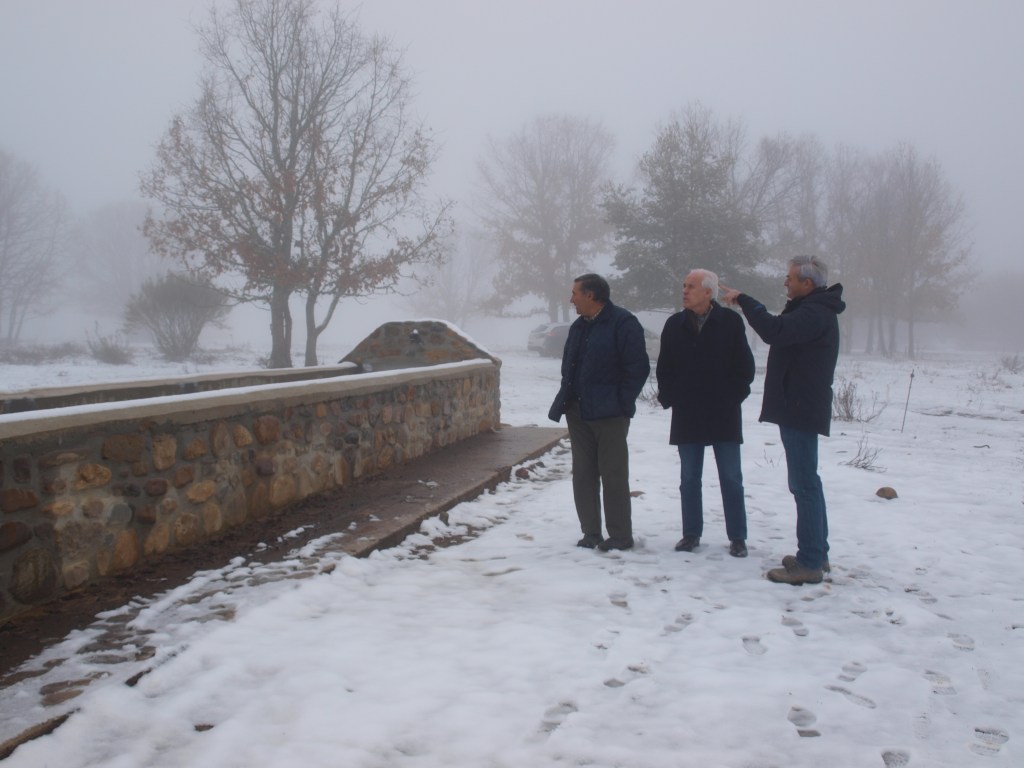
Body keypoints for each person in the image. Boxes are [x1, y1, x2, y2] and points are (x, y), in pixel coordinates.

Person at [720, 255, 846, 585]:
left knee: (804, 484)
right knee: (808, 483)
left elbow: (775, 331)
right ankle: (818, 552)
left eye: (790, 278)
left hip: (801, 408)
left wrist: (744, 300)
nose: (785, 282)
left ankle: (810, 562)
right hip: (799, 405)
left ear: (808, 283)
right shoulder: (813, 308)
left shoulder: (815, 312)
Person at [656, 269, 755, 558]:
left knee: (731, 478)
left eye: (691, 286)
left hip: (723, 411)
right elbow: (665, 368)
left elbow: (744, 367)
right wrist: (671, 397)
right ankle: (691, 534)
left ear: (708, 292)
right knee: (689, 478)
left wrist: (735, 396)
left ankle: (737, 536)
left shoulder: (730, 322)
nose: (684, 291)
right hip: (687, 413)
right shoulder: (674, 324)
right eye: (684, 285)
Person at [548, 273, 650, 551]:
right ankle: (591, 532)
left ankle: (619, 536)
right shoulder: (579, 327)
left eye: (575, 294)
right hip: (578, 411)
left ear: (591, 295)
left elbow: (637, 368)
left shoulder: (623, 323)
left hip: (610, 414)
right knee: (582, 474)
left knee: (613, 474)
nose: (571, 300)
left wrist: (621, 402)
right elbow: (569, 365)